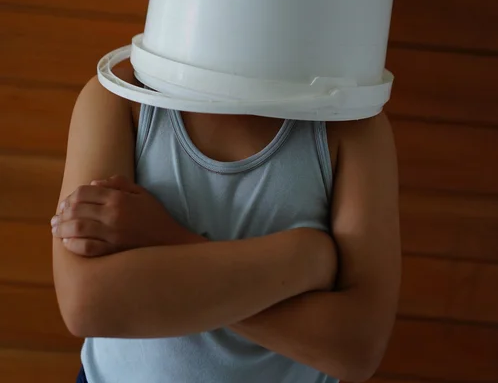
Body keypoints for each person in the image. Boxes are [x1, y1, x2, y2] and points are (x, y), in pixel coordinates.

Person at [52, 61, 400, 383]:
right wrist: (302, 260)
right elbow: (88, 304)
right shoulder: (120, 97)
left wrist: (162, 237)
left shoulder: (355, 125)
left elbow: (357, 349)